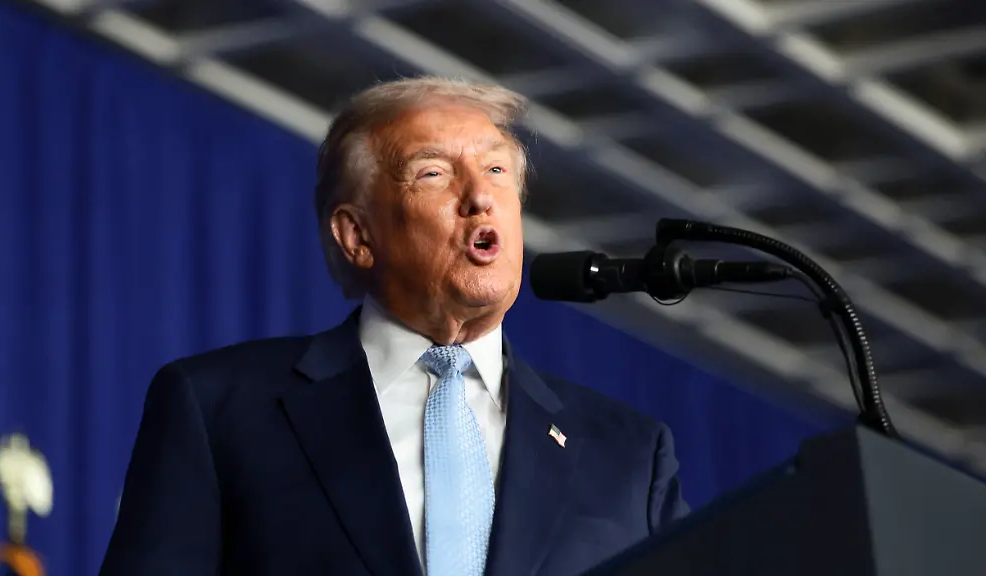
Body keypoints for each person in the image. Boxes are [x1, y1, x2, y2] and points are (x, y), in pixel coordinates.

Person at [99, 77, 690, 576]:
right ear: (357, 235)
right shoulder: (218, 408)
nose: (480, 196)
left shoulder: (630, 456)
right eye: (433, 174)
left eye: (496, 169)